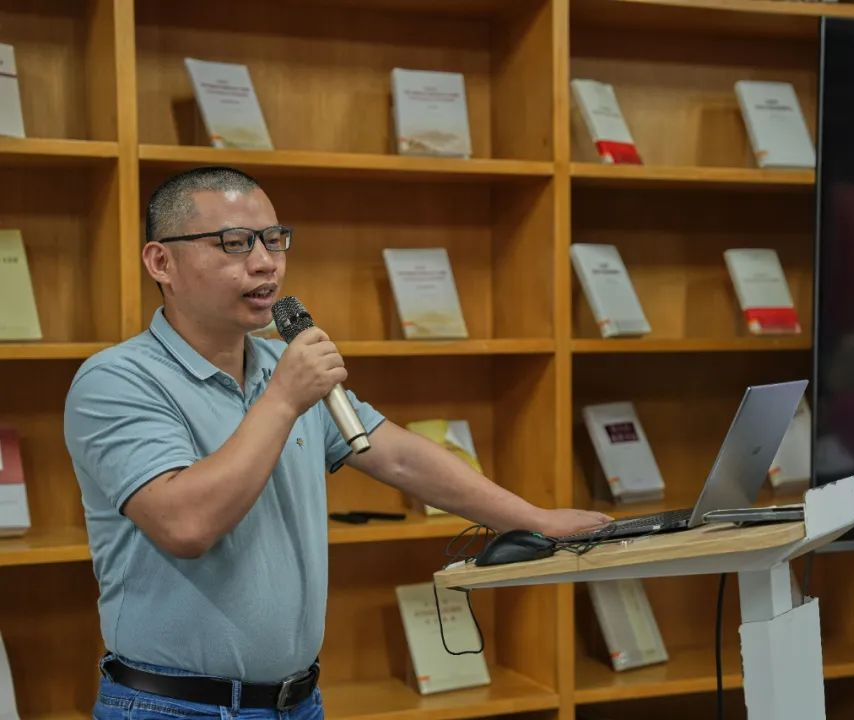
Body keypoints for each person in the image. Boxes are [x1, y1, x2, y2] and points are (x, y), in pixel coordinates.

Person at [63, 166, 611, 719]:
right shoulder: (118, 380)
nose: (265, 262)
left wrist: (532, 520)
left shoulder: (281, 364)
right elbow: (185, 526)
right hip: (175, 707)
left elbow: (400, 458)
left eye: (274, 239)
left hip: (299, 702)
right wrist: (283, 400)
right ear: (161, 262)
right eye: (234, 243)